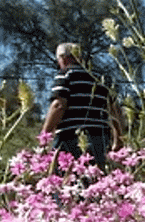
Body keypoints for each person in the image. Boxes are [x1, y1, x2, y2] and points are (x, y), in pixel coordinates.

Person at [41, 43, 124, 172]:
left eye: (58, 60)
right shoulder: (102, 77)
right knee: (97, 180)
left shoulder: (66, 74)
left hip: (70, 137)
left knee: (66, 180)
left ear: (64, 58)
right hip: (100, 138)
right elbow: (114, 109)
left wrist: (45, 135)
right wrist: (118, 138)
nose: (59, 64)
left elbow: (58, 105)